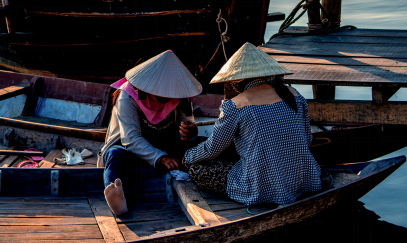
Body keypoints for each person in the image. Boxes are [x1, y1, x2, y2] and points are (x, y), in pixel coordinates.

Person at [184, 44, 321, 205]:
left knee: (196, 171)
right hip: (305, 180)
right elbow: (308, 140)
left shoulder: (235, 105)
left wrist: (188, 157)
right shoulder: (294, 94)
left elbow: (213, 148)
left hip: (259, 188)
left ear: (238, 81)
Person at [101, 50, 204, 216]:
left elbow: (188, 125)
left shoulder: (181, 97)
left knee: (203, 143)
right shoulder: (127, 97)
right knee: (115, 155)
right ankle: (117, 195)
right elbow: (131, 140)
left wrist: (190, 131)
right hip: (131, 152)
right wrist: (161, 157)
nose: (167, 96)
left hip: (165, 147)